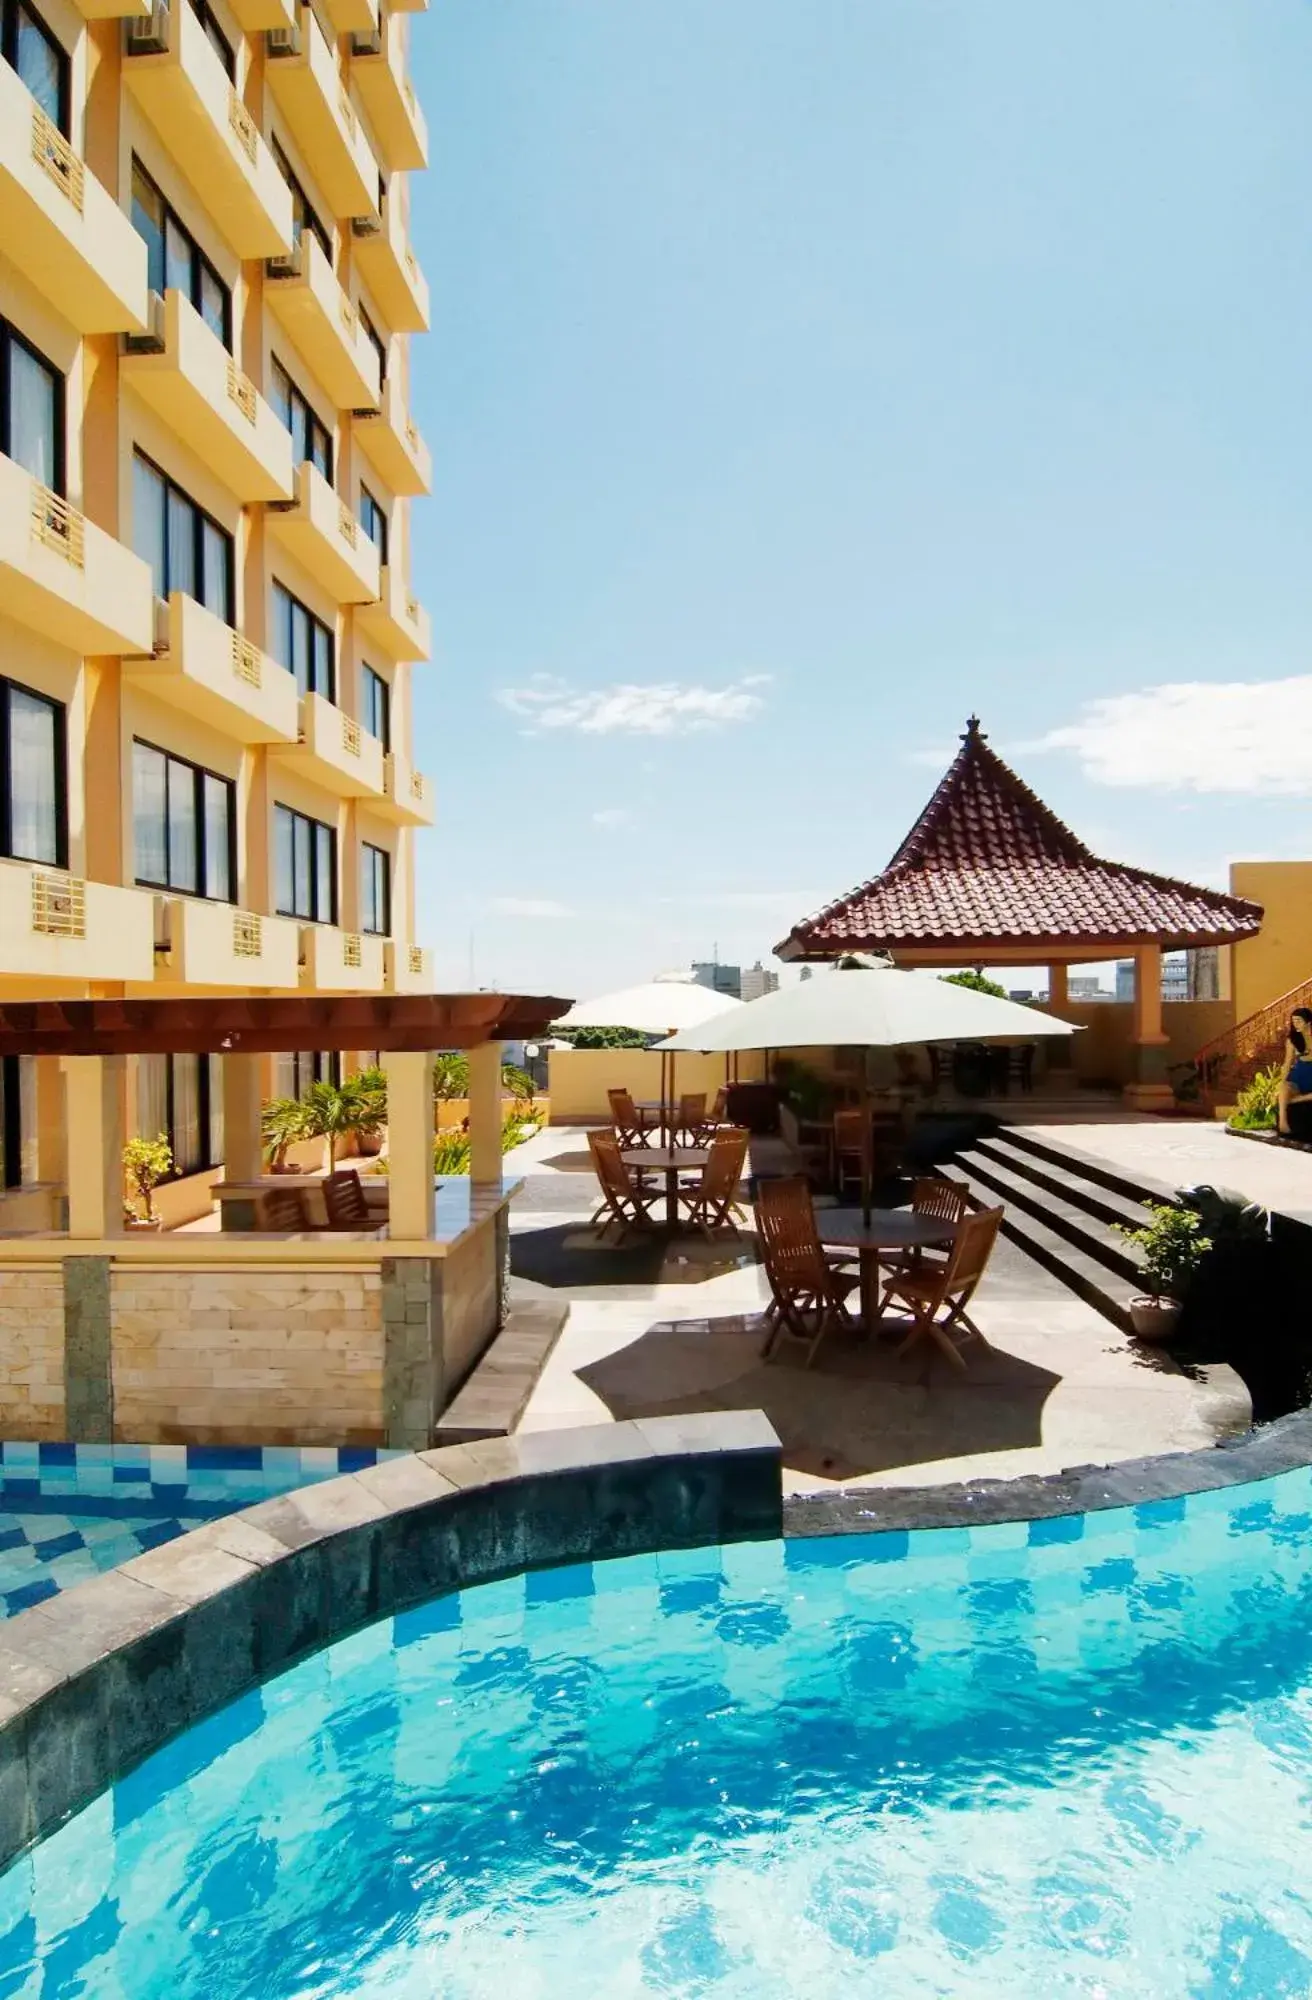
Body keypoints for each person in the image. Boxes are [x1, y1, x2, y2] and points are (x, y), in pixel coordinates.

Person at [1277, 1008, 1312, 1139]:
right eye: (1293, 1021)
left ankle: (1295, 1100)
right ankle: (1282, 1122)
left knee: (1289, 1096)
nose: (1295, 1024)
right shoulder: (1292, 1040)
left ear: (1308, 1023)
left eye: (1298, 1021)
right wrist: (1281, 1082)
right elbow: (1287, 1063)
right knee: (1285, 1088)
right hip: (1299, 1076)